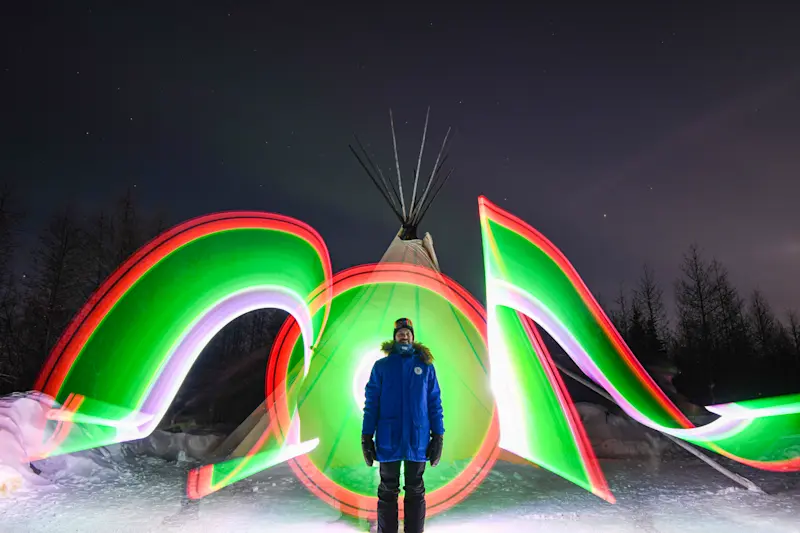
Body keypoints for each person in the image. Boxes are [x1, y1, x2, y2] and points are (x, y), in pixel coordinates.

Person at [361, 318, 444, 533]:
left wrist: (438, 435)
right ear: (394, 337)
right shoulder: (382, 367)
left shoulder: (425, 367)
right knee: (388, 489)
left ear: (413, 337)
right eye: (400, 333)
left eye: (407, 332)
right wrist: (366, 436)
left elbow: (434, 402)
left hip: (417, 439)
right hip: (389, 438)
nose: (404, 336)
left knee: (415, 489)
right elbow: (372, 402)